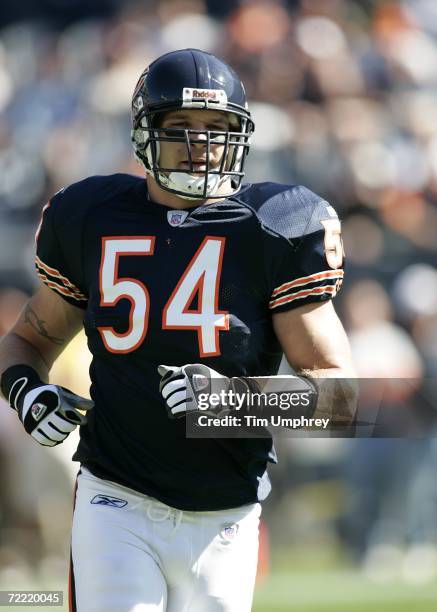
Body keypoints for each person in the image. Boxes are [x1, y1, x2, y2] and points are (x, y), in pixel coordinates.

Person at [0, 48, 356, 612]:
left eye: (217, 128)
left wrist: (232, 401)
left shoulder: (275, 226)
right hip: (114, 499)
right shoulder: (94, 215)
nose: (201, 143)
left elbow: (341, 398)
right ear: (146, 133)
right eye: (181, 126)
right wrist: (25, 390)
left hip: (227, 518)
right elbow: (27, 340)